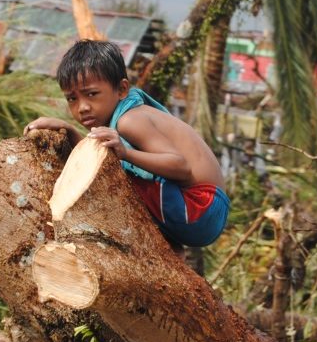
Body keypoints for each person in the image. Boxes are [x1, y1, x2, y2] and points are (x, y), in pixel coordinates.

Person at [25, 40, 229, 248]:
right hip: (197, 210)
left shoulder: (129, 121)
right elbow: (100, 159)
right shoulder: (125, 114)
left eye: (91, 94)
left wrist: (126, 153)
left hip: (200, 207)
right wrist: (66, 129)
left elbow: (181, 167)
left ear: (122, 89)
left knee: (110, 183)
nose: (82, 107)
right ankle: (169, 250)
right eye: (72, 99)